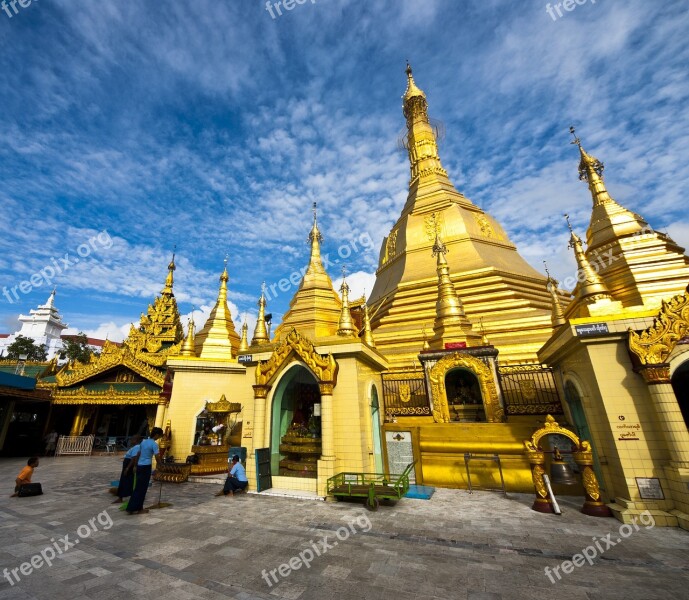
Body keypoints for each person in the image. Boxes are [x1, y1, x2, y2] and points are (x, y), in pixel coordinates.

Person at [125, 427, 163, 515]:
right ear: (156, 435)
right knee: (142, 488)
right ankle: (138, 508)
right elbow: (157, 457)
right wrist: (160, 465)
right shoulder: (154, 444)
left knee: (138, 487)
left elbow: (138, 454)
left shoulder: (143, 442)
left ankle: (132, 507)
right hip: (146, 466)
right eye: (159, 436)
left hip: (139, 466)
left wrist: (135, 465)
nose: (159, 438)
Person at [113, 436, 141, 503]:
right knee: (126, 480)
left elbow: (133, 458)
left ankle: (122, 496)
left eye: (132, 439)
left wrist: (128, 468)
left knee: (125, 480)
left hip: (129, 464)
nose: (131, 441)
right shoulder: (135, 447)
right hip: (127, 463)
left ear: (136, 440)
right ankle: (124, 495)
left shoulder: (137, 447)